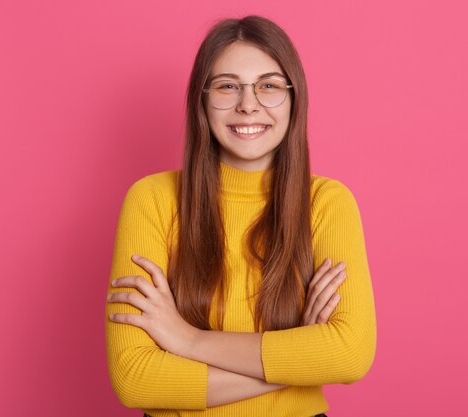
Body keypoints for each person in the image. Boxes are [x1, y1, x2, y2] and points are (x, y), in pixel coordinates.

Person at [105, 15, 376, 417]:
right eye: (228, 86)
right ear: (202, 99)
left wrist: (188, 340)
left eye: (268, 85)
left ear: (293, 98)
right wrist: (295, 360)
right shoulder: (152, 200)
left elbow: (349, 354)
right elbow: (135, 378)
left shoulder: (327, 203)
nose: (248, 104)